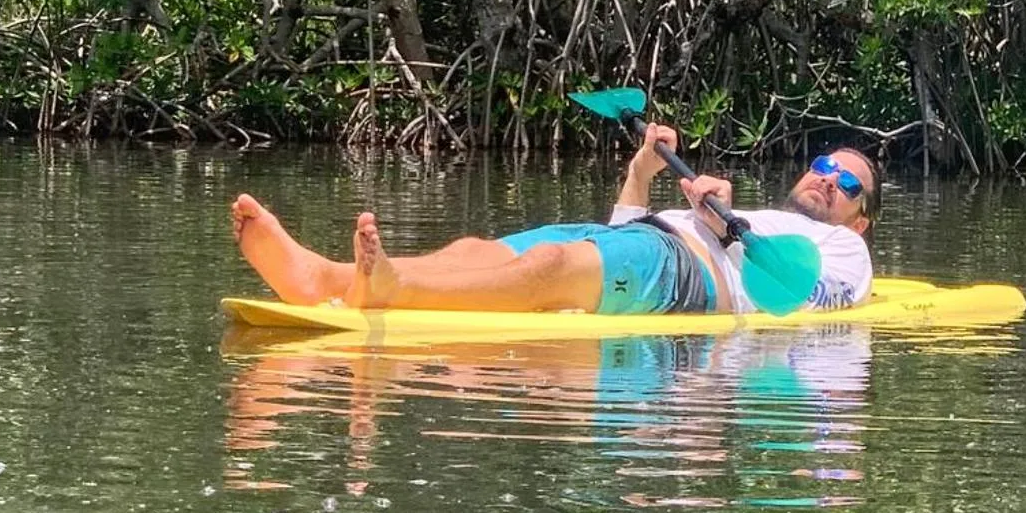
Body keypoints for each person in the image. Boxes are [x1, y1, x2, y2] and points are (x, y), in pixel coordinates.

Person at [229, 126, 878, 318]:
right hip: (642, 240)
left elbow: (796, 297)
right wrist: (640, 176)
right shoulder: (765, 212)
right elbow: (631, 225)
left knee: (548, 269)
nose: (827, 178)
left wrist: (729, 226)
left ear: (860, 220)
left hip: (693, 275)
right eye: (824, 164)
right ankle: (328, 276)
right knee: (475, 246)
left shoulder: (848, 255)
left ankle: (392, 289)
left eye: (848, 183)